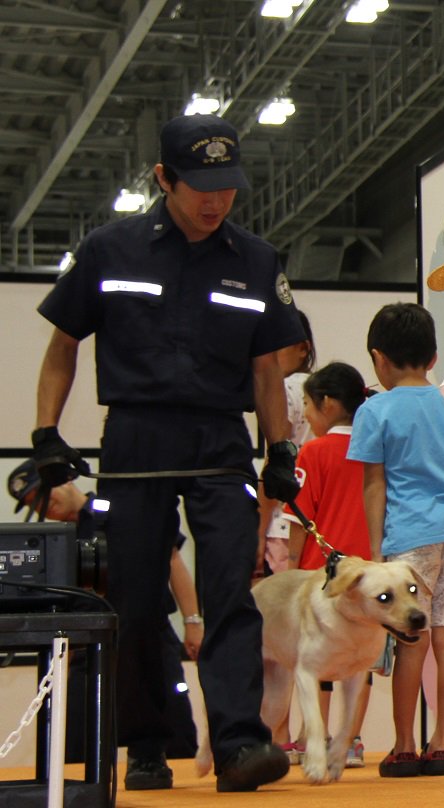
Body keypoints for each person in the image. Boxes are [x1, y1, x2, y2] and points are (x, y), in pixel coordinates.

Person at [30, 113, 303, 793]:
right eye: (200, 187)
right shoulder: (109, 249)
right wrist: (44, 434)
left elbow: (269, 367)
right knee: (136, 597)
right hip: (135, 436)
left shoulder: (256, 259)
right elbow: (63, 345)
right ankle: (147, 742)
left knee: (230, 594)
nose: (216, 201)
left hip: (219, 438)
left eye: (227, 188)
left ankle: (240, 743)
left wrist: (279, 449)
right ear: (163, 179)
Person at [6, 460, 202, 760]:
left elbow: (172, 559)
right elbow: (64, 608)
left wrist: (193, 621)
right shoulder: (54, 543)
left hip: (147, 635)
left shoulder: (116, 510)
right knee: (74, 744)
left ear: (67, 481)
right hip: (86, 650)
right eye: (34, 503)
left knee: (175, 733)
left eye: (45, 494)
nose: (46, 506)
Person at [347, 302, 444, 778]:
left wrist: (376, 552)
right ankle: (443, 745)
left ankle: (402, 745)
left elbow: (374, 485)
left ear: (378, 358)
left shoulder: (374, 409)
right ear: (433, 357)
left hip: (408, 541)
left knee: (410, 643)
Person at [279, 361, 375, 767]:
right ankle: (350, 740)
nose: (304, 415)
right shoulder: (372, 447)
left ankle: (310, 736)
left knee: (318, 657)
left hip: (322, 574)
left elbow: (297, 519)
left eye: (307, 406)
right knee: (361, 660)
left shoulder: (313, 452)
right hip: (370, 574)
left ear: (328, 404)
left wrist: (290, 570)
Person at [258, 309, 316, 578]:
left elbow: (275, 464)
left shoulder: (285, 391)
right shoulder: (321, 389)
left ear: (302, 348)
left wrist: (258, 532)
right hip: (315, 519)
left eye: (275, 347)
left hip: (283, 521)